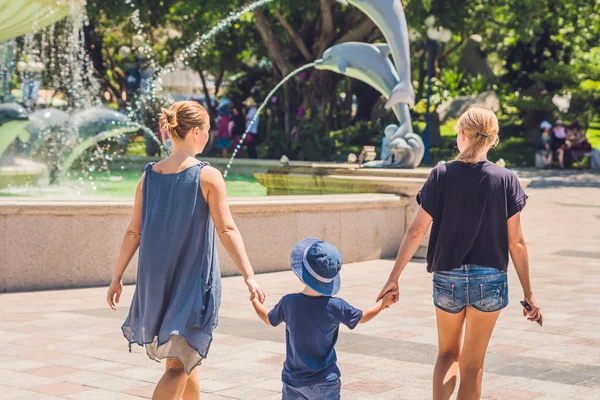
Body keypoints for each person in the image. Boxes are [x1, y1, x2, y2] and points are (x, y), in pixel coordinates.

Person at [377, 105, 543, 400]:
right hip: (490, 277)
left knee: (447, 354)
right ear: (493, 139)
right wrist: (529, 294)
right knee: (473, 364)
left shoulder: (441, 174)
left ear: (462, 135)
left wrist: (394, 277)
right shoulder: (505, 179)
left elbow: (416, 231)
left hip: (447, 276)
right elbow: (516, 242)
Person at [106, 100, 266, 400]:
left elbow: (133, 231)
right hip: (193, 283)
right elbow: (227, 230)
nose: (208, 135)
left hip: (155, 283)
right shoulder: (207, 176)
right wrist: (250, 276)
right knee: (179, 365)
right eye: (206, 130)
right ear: (195, 131)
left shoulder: (149, 176)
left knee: (186, 359)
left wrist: (117, 277)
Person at [251, 238, 398, 400]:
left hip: (293, 381)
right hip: (325, 381)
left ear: (301, 276)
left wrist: (255, 300)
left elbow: (268, 318)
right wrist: (383, 303)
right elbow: (363, 316)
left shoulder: (289, 302)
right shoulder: (336, 306)